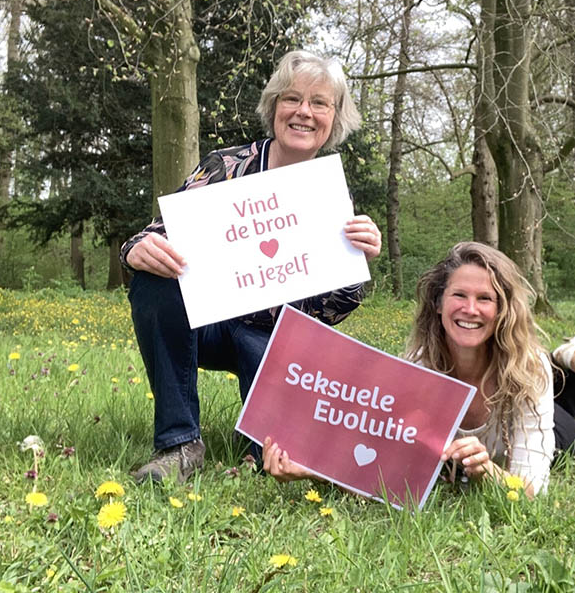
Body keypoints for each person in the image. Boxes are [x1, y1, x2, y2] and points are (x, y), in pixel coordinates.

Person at [121, 50, 382, 483]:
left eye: (320, 103)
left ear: (334, 119)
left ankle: (255, 445)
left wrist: (357, 262)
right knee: (154, 280)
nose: (304, 112)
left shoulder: (330, 195)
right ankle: (180, 444)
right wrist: (135, 250)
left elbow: (332, 313)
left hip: (271, 339)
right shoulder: (226, 168)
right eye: (292, 98)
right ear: (273, 107)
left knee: (274, 460)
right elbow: (157, 233)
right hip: (205, 326)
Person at [262, 242, 575, 496]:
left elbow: (533, 490)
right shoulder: (415, 373)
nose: (470, 309)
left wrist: (488, 472)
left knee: (570, 428)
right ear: (438, 303)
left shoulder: (528, 373)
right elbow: (382, 465)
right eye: (458, 295)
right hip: (522, 378)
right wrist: (312, 468)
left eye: (485, 299)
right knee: (559, 395)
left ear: (503, 309)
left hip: (525, 391)